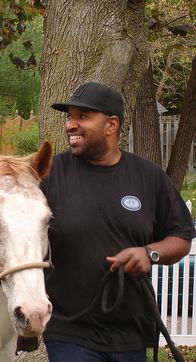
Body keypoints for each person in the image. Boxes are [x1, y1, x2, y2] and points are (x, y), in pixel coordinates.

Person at [41, 82, 195, 361]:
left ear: (111, 125)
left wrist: (149, 253)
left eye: (82, 117)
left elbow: (181, 237)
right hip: (70, 331)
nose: (70, 125)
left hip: (130, 332)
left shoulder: (149, 177)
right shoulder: (51, 174)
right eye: (69, 117)